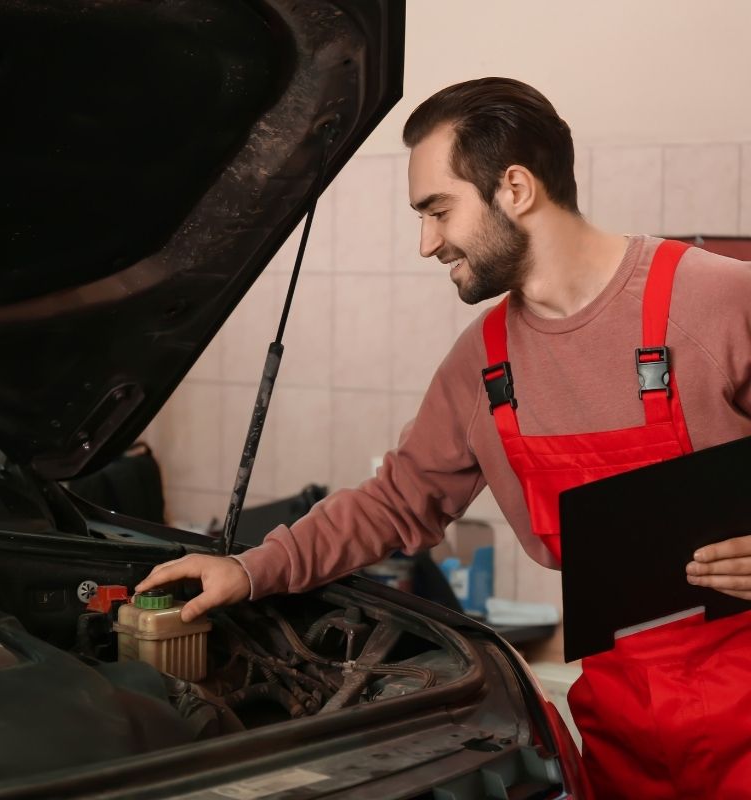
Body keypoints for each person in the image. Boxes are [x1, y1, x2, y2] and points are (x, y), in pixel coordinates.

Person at [136, 78, 751, 798]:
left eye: (437, 210)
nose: (426, 242)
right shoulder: (483, 363)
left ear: (515, 188)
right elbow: (396, 501)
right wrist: (249, 569)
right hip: (623, 733)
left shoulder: (715, 301)